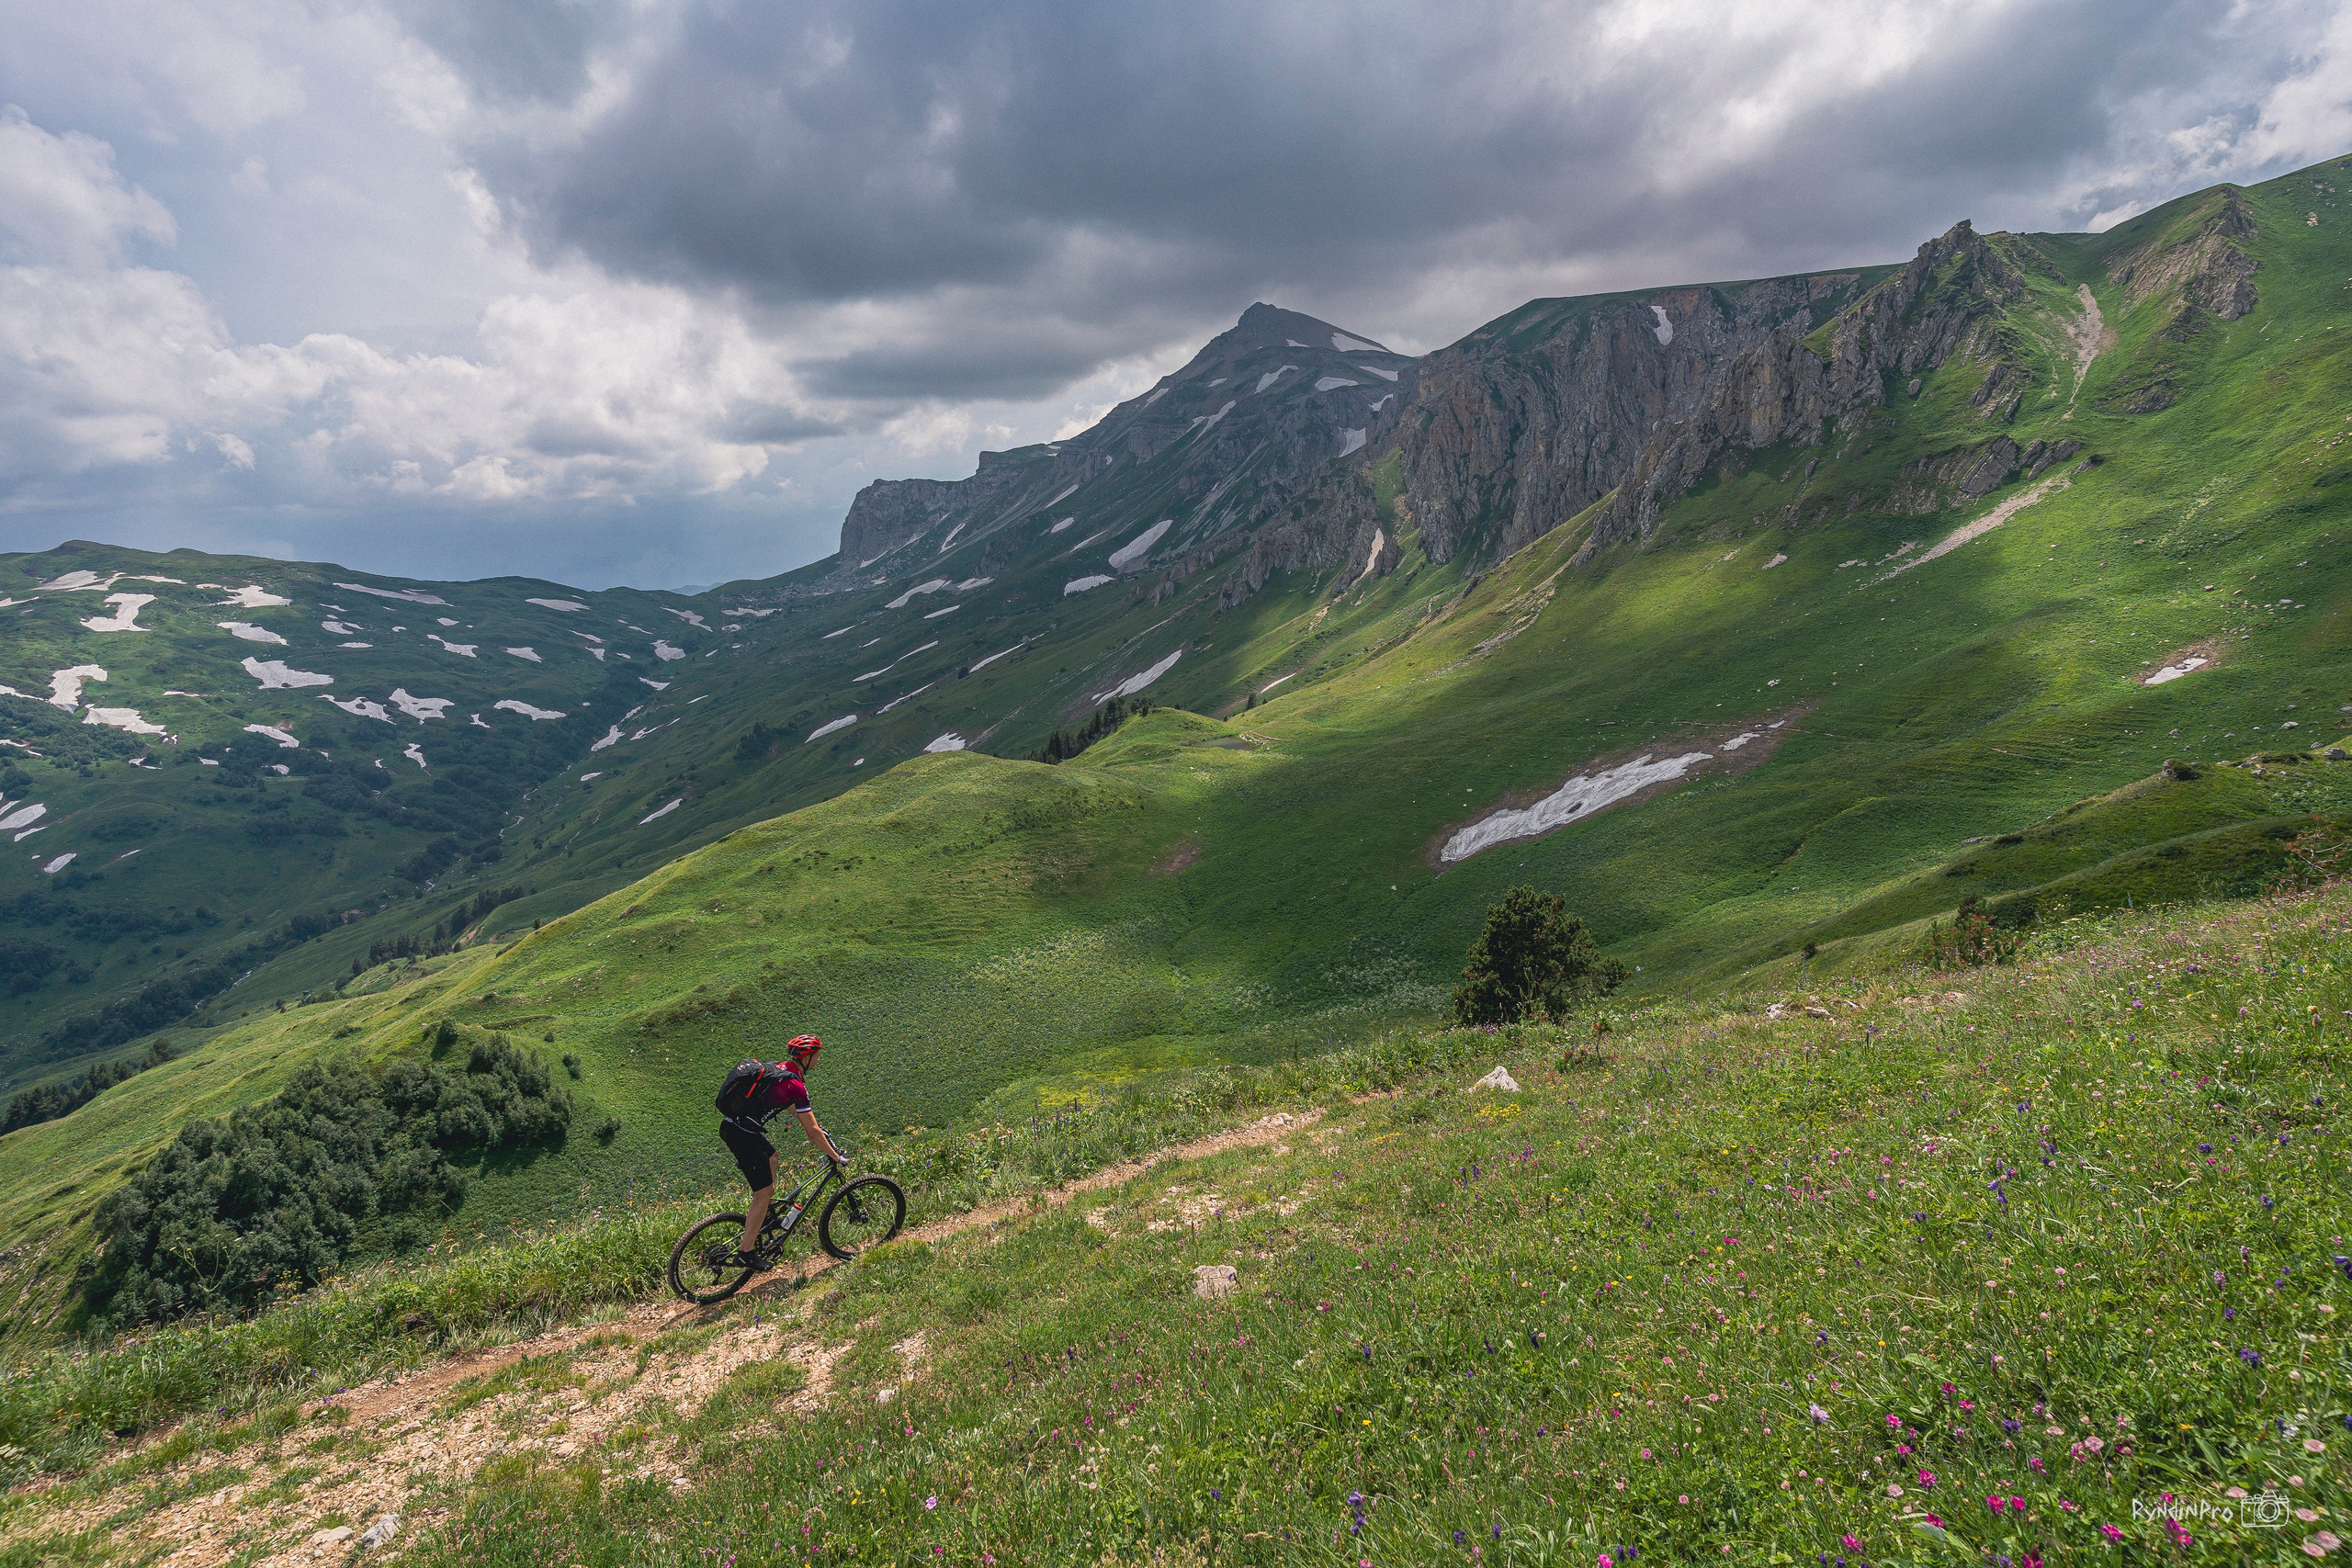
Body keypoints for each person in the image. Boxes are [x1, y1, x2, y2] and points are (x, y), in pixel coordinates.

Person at [719, 1035, 843, 1265]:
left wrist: (814, 1124)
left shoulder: (781, 1068)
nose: (818, 1060)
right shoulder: (796, 1084)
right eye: (816, 1056)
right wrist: (835, 1156)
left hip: (734, 1126)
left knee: (772, 1157)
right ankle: (746, 1253)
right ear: (806, 1058)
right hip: (743, 1135)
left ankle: (766, 1216)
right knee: (764, 1191)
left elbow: (783, 1101)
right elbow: (812, 1133)